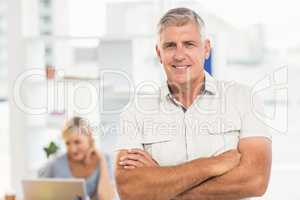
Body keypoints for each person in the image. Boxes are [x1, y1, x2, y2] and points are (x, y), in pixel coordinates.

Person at [114, 7, 272, 200]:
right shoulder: (135, 112)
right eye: (170, 45)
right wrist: (210, 165)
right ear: (159, 52)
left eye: (189, 44)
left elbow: (255, 181)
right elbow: (129, 189)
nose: (179, 55)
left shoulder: (244, 99)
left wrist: (161, 185)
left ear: (206, 49)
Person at [39, 116, 115, 200]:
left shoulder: (105, 160)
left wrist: (101, 160)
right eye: (68, 143)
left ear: (89, 138)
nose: (72, 149)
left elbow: (106, 198)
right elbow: (35, 195)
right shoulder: (55, 164)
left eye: (77, 142)